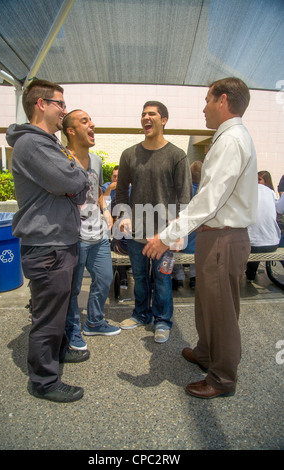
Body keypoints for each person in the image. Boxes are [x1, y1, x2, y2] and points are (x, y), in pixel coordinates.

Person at [143, 78, 258, 398]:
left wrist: (166, 237)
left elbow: (208, 201)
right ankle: (207, 353)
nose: (203, 107)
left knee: (221, 310)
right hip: (217, 236)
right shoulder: (230, 138)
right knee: (209, 304)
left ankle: (222, 378)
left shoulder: (231, 139)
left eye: (207, 100)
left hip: (223, 236)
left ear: (222, 100)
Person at [6, 80, 90, 403]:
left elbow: (78, 187)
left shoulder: (49, 143)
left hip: (60, 242)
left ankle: (59, 350)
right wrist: (73, 178)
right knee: (48, 316)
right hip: (48, 246)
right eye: (60, 104)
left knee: (60, 306)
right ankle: (43, 380)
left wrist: (73, 180)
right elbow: (71, 178)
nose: (64, 110)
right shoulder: (32, 144)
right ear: (41, 105)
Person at [116, 101, 192, 343]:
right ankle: (140, 314)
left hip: (165, 234)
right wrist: (124, 215)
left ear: (164, 120)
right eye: (143, 114)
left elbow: (184, 197)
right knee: (139, 276)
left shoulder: (177, 156)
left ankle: (162, 320)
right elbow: (120, 192)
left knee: (162, 278)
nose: (146, 118)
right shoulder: (129, 154)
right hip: (137, 231)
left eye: (152, 114)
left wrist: (179, 230)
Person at [63, 109, 121, 349]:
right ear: (71, 130)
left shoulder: (96, 160)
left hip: (98, 234)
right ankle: (73, 329)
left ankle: (95, 322)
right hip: (73, 236)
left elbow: (97, 188)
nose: (92, 124)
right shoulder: (60, 158)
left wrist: (105, 210)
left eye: (91, 120)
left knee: (104, 278)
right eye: (84, 121)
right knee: (73, 288)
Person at [172, 160, 203, 290]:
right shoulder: (204, 194)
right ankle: (194, 278)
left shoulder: (181, 193)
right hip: (198, 247)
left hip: (180, 246)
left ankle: (178, 277)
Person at [245, 179, 281, 281]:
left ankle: (245, 275)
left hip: (252, 246)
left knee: (246, 240)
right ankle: (250, 275)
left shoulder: (246, 191)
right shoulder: (270, 192)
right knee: (256, 237)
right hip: (273, 243)